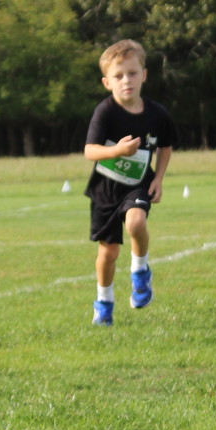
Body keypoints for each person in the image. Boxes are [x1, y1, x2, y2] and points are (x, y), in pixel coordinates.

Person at [84, 39, 175, 326]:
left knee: (136, 223)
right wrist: (117, 151)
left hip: (138, 184)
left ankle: (140, 271)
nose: (126, 80)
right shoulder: (105, 112)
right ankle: (104, 302)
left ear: (144, 75)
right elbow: (90, 151)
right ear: (107, 82)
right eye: (118, 75)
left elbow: (165, 146)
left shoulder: (157, 114)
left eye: (132, 73)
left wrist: (158, 178)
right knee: (108, 253)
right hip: (105, 189)